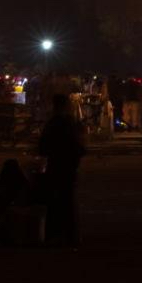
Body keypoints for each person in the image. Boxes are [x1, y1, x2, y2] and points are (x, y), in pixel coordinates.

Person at [37, 93, 86, 246]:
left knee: (54, 202)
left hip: (56, 167)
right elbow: (80, 147)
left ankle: (55, 234)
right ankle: (71, 236)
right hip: (68, 168)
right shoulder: (71, 123)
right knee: (68, 202)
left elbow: (42, 147)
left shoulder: (52, 124)